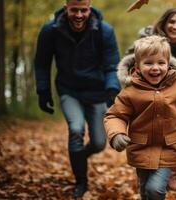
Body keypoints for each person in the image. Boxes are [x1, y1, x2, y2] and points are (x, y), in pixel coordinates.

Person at [104, 35, 176, 200]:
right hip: (140, 148)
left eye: (161, 63)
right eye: (148, 63)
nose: (155, 68)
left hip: (169, 148)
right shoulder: (130, 92)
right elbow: (116, 115)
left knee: (155, 190)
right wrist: (116, 133)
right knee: (145, 190)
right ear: (137, 66)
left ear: (168, 64)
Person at [34, 0, 121, 197]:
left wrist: (112, 90)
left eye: (84, 10)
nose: (79, 15)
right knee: (75, 129)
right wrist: (43, 91)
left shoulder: (104, 31)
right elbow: (42, 63)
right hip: (69, 90)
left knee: (99, 143)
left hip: (97, 91)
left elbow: (111, 65)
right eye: (75, 10)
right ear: (66, 9)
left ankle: (79, 157)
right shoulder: (51, 30)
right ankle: (81, 182)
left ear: (89, 9)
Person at [117, 7, 176, 191]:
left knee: (172, 137)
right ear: (164, 23)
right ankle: (146, 174)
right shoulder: (147, 39)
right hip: (145, 93)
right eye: (172, 22)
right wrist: (132, 83)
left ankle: (169, 176)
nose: (175, 26)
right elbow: (130, 60)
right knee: (146, 132)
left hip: (174, 95)